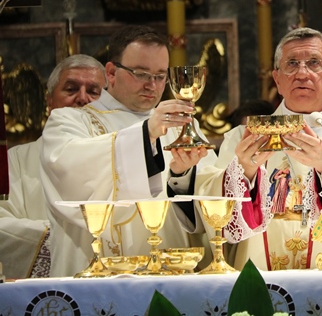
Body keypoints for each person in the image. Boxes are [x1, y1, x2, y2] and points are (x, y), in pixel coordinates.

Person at [173, 27, 322, 271]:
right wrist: (243, 173)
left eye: (314, 63)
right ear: (277, 80)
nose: (302, 73)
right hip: (259, 280)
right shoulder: (242, 139)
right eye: (292, 64)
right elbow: (207, 213)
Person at [40, 25, 217, 277]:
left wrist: (181, 176)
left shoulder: (182, 126)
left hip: (171, 275)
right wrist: (146, 134)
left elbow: (208, 199)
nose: (152, 85)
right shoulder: (68, 122)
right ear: (111, 73)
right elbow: (71, 175)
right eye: (141, 74)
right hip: (98, 279)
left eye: (160, 76)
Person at [0, 54, 106, 279]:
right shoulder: (15, 161)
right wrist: (61, 240)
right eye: (71, 89)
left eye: (93, 91)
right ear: (49, 101)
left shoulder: (120, 158)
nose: (82, 98)